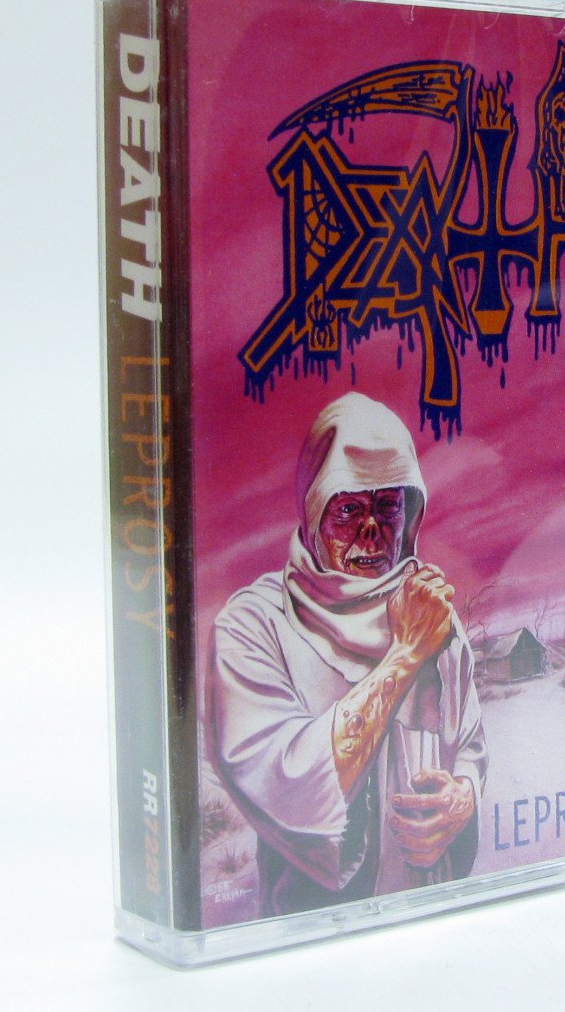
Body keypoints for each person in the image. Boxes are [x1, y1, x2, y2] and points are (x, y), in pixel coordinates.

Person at [208, 392, 487, 917]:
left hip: (429, 915)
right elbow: (290, 788)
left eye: (388, 507)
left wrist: (463, 798)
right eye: (349, 509)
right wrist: (407, 653)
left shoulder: (430, 610)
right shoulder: (254, 625)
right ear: (314, 509)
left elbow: (470, 744)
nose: (372, 529)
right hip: (309, 930)